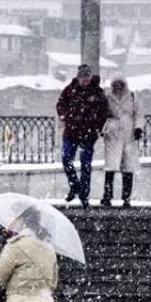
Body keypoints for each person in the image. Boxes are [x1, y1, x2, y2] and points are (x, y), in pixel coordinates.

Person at [56, 65, 109, 209]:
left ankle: (84, 195)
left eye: (87, 78)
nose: (85, 81)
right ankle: (75, 186)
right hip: (71, 132)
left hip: (89, 133)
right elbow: (60, 104)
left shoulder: (97, 92)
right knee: (66, 158)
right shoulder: (70, 89)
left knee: (86, 165)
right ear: (78, 78)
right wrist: (66, 116)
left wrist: (97, 127)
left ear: (90, 78)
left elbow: (104, 111)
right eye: (83, 78)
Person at [101, 77, 144, 208]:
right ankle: (107, 196)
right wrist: (103, 128)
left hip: (128, 134)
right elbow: (102, 113)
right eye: (115, 85)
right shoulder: (108, 97)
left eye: (120, 85)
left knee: (128, 167)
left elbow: (139, 114)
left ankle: (126, 197)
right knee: (110, 166)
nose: (118, 87)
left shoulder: (132, 96)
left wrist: (138, 128)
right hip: (113, 134)